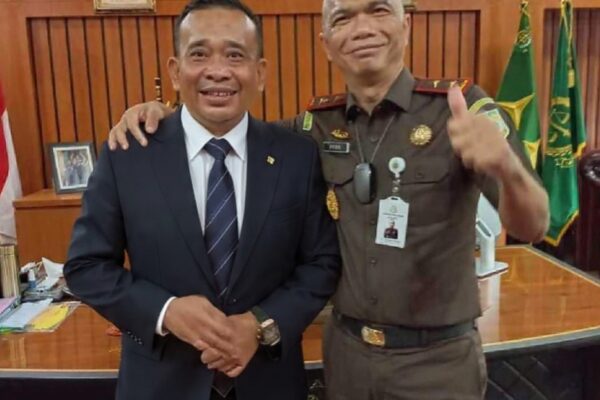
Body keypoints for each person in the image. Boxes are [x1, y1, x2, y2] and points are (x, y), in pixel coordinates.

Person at [106, 0, 550, 398]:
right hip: (349, 358)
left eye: (378, 10)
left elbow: (533, 226)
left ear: (405, 25)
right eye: (343, 18)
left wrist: (507, 169)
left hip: (437, 362)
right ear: (326, 44)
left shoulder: (460, 109)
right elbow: (228, 130)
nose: (362, 28)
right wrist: (166, 117)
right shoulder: (314, 127)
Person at [64, 1, 340, 400]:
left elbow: (321, 264)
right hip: (160, 385)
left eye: (235, 55)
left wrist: (260, 326)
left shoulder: (297, 156)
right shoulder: (128, 154)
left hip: (269, 383)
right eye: (199, 54)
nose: (217, 70)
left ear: (260, 73)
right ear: (175, 72)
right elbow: (86, 266)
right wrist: (166, 311)